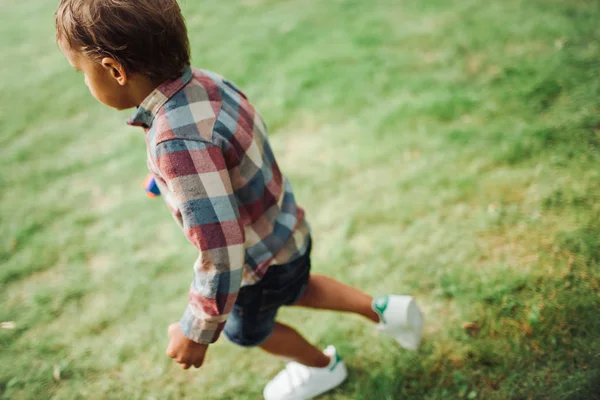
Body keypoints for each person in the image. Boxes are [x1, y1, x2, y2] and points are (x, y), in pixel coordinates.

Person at [55, 1, 424, 398]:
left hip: (256, 268)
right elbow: (221, 152)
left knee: (249, 332)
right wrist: (166, 178)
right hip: (288, 233)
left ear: (114, 69)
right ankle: (387, 310)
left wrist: (195, 329)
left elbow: (222, 249)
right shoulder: (203, 83)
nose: (85, 82)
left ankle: (323, 367)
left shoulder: (176, 141)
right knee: (301, 287)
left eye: (81, 73)